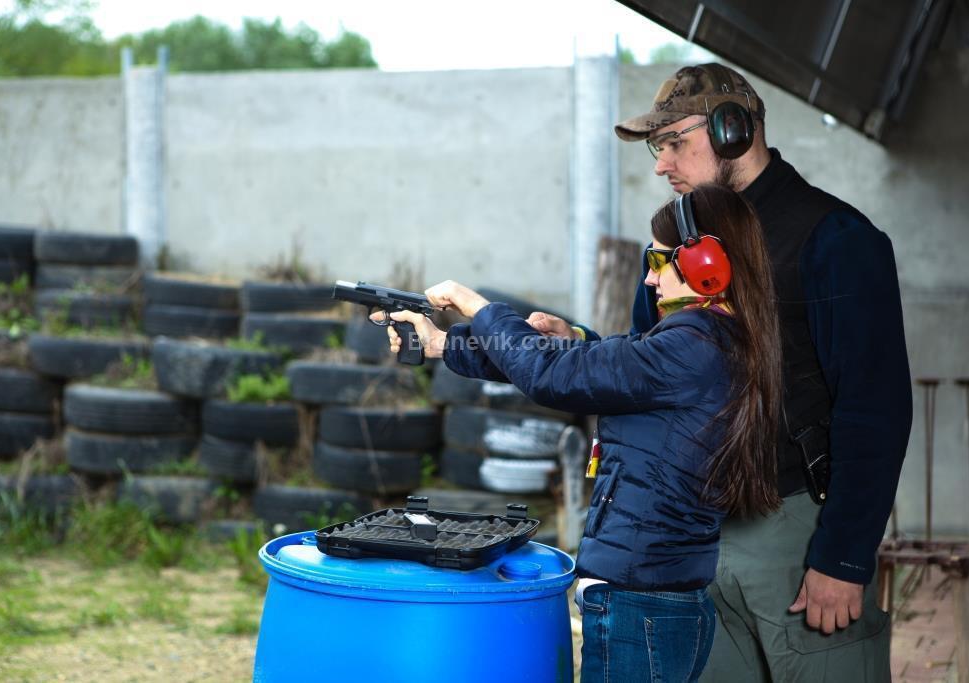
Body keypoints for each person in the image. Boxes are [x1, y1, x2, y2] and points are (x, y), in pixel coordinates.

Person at [528, 63, 912, 681]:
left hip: (793, 535)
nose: (661, 164)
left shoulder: (838, 240)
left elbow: (876, 410)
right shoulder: (676, 247)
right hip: (691, 542)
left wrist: (843, 557)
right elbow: (654, 371)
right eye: (657, 148)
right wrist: (585, 346)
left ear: (735, 130)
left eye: (675, 142)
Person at [376, 183, 783, 682]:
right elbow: (584, 364)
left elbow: (554, 376)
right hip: (656, 594)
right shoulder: (717, 339)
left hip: (641, 601)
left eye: (658, 264)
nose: (650, 282)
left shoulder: (692, 345)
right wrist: (442, 343)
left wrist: (473, 304)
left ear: (706, 263)